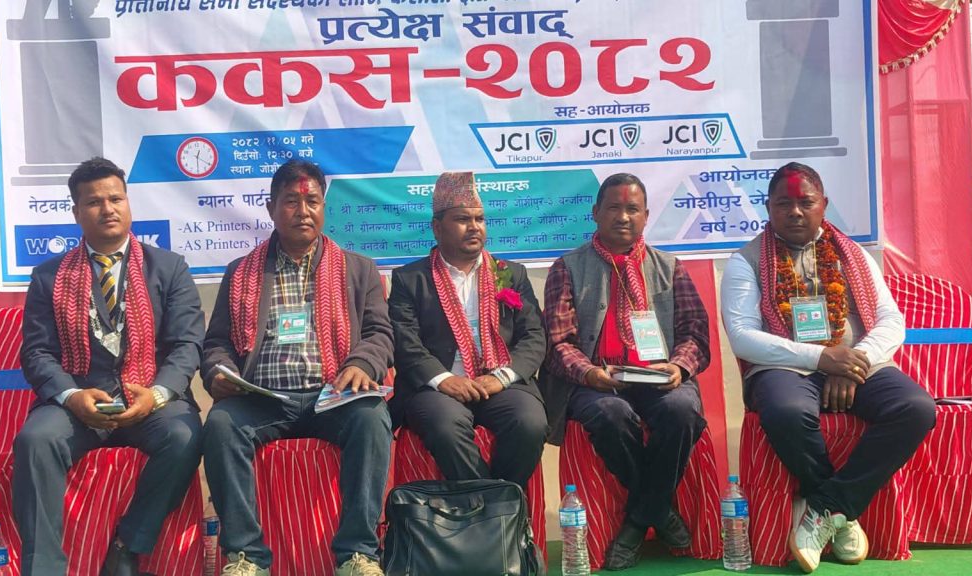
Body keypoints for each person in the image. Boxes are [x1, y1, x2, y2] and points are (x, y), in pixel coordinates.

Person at [721, 162, 936, 573]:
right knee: (787, 412)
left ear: (824, 204)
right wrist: (820, 358)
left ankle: (824, 507)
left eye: (806, 202)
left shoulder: (853, 254)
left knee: (916, 408)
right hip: (784, 366)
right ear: (768, 207)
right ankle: (843, 514)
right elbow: (743, 336)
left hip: (857, 360)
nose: (795, 211)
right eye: (783, 203)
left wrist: (852, 361)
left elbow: (891, 320)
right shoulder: (745, 261)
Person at [14, 157, 204, 576]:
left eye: (116, 198)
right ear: (76, 212)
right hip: (79, 404)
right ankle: (43, 567)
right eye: (94, 202)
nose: (108, 209)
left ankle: (128, 545)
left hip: (148, 400)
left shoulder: (169, 268)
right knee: (35, 440)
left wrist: (157, 394)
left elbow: (187, 344)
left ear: (128, 202)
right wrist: (71, 396)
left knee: (186, 435)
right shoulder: (48, 277)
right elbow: (37, 353)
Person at [202, 160, 393, 576]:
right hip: (263, 399)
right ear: (271, 208)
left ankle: (357, 554)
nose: (303, 211)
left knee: (371, 416)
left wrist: (362, 362)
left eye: (313, 202)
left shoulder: (357, 269)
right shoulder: (241, 272)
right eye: (291, 201)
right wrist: (219, 371)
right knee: (220, 424)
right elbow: (216, 342)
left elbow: (380, 333)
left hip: (333, 396)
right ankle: (246, 557)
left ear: (324, 207)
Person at [540, 172, 710, 571]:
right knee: (611, 414)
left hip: (659, 377)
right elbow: (558, 344)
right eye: (613, 208)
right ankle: (658, 512)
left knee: (682, 411)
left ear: (646, 216)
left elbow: (696, 334)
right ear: (595, 213)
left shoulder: (669, 267)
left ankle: (637, 521)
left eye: (632, 209)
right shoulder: (567, 267)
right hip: (597, 380)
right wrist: (589, 373)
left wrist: (678, 366)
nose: (623, 217)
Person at [388, 171, 548, 492]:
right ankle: (500, 507)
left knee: (530, 423)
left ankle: (489, 506)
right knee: (445, 426)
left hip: (500, 383)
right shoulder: (410, 279)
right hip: (437, 388)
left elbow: (534, 336)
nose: (474, 227)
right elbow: (405, 342)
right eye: (463, 219)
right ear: (437, 227)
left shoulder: (509, 273)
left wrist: (502, 377)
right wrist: (444, 380)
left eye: (480, 219)